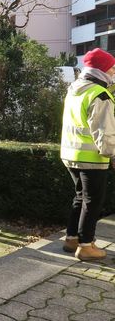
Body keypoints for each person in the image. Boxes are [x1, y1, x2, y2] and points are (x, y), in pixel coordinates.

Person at [60, 48, 115, 261]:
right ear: (101, 70)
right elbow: (104, 131)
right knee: (92, 201)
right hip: (91, 158)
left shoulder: (75, 88)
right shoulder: (99, 94)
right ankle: (85, 246)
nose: (113, 72)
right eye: (111, 68)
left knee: (80, 197)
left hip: (70, 154)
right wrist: (112, 155)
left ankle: (71, 238)